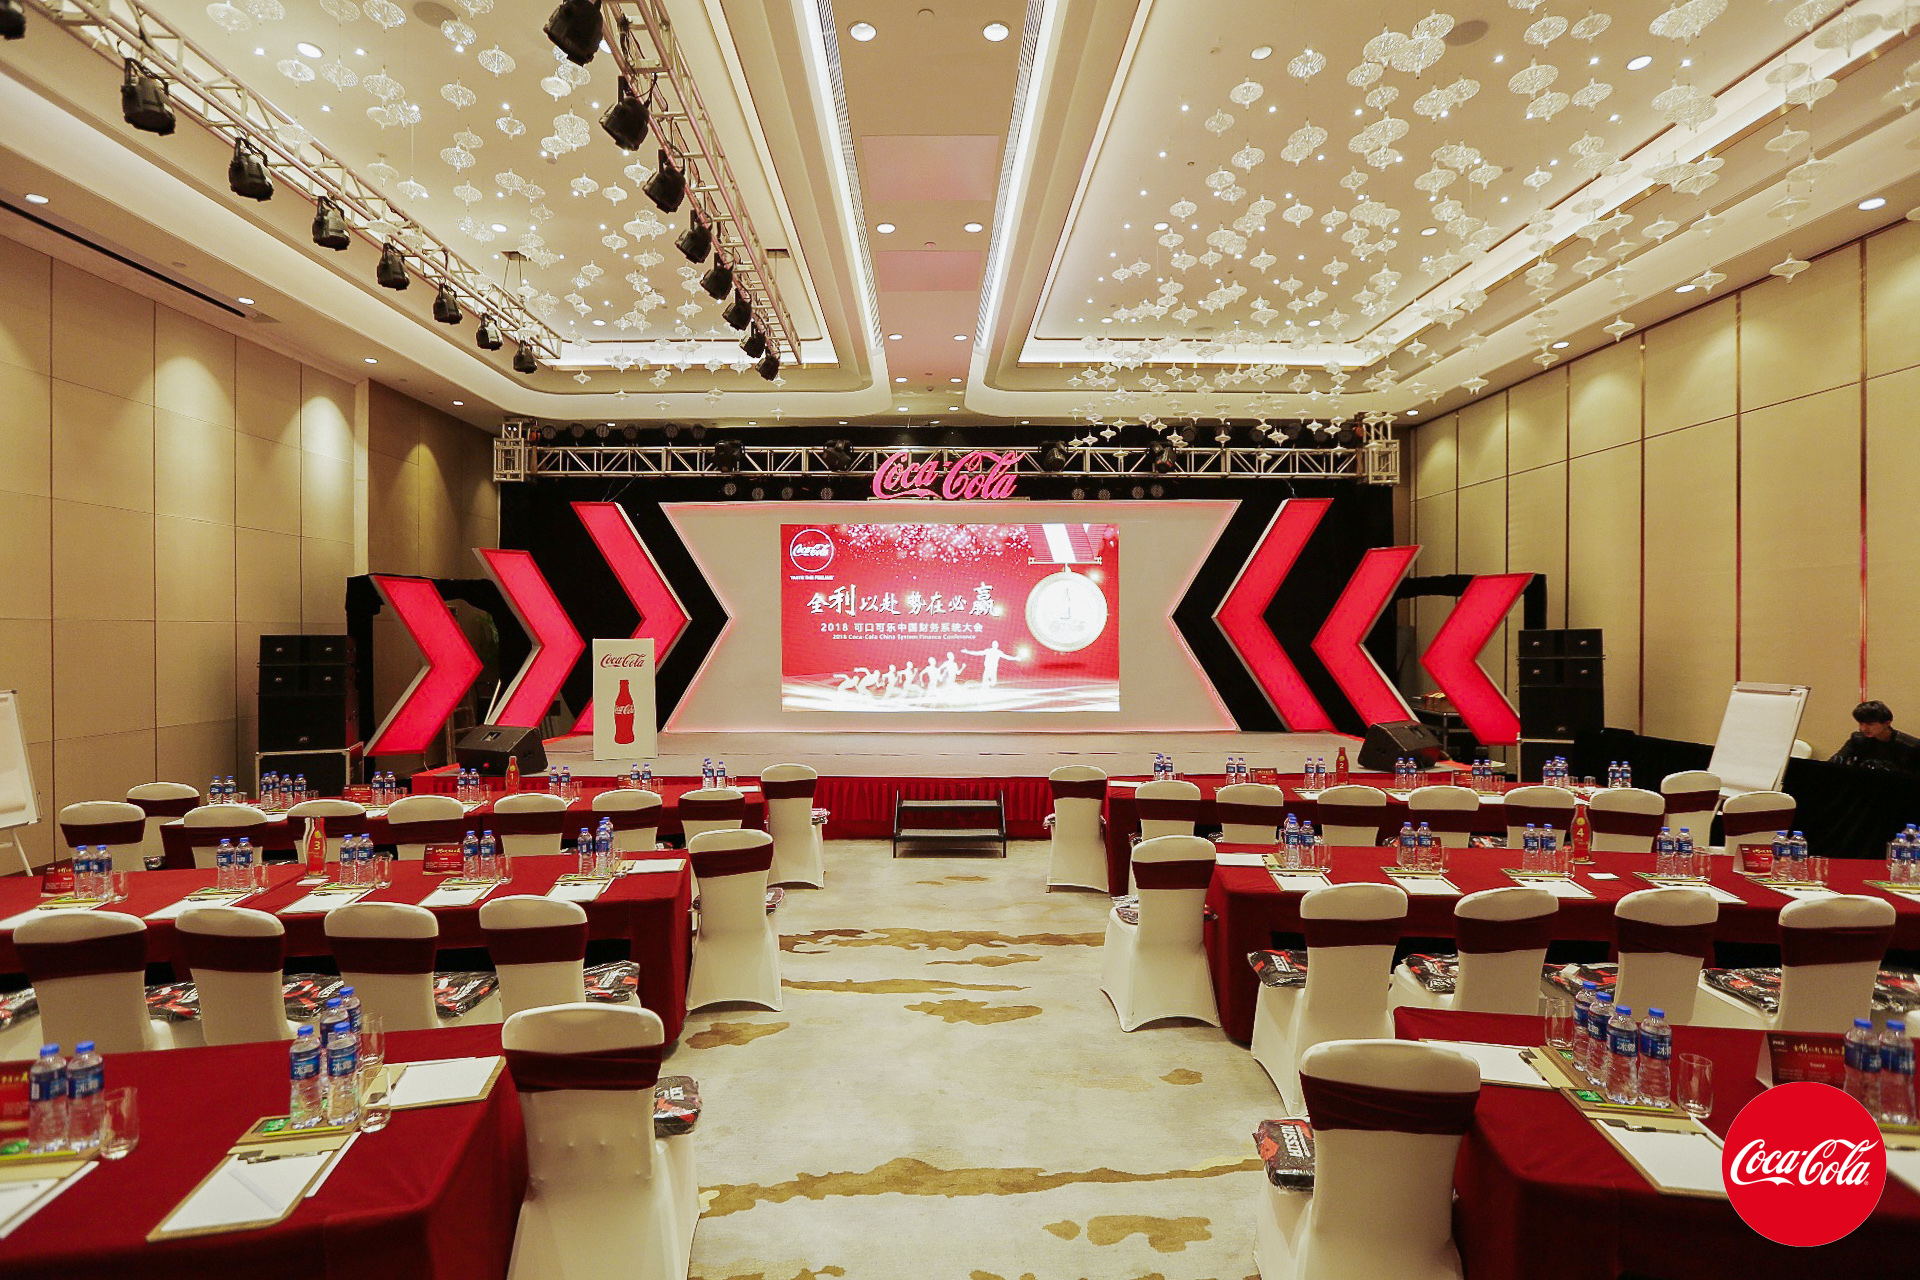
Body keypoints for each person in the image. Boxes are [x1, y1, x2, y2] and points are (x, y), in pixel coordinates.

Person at [1829, 700, 1920, 772]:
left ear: (1887, 723)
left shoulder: (1911, 746)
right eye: (1861, 723)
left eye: (1870, 724)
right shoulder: (1858, 739)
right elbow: (1836, 761)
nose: (1863, 728)